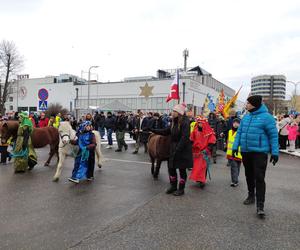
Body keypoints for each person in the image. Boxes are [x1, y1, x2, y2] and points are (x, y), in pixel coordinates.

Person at [232, 95, 279, 218]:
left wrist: (275, 152)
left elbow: (273, 136)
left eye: (248, 103)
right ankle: (251, 195)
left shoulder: (267, 118)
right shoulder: (246, 117)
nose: (246, 105)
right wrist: (235, 147)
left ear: (254, 104)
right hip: (246, 152)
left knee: (259, 177)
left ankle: (260, 205)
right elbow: (239, 133)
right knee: (249, 175)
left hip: (260, 152)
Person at [151, 104, 193, 196]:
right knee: (171, 168)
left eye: (174, 111)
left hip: (182, 149)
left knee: (182, 170)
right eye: (173, 111)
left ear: (179, 113)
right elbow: (166, 131)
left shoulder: (185, 122)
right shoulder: (174, 121)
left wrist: (178, 149)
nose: (173, 113)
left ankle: (181, 189)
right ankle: (173, 186)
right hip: (173, 147)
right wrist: (153, 130)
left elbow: (184, 137)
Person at [189, 116, 216, 188]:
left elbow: (212, 141)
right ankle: (198, 178)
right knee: (197, 166)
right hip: (196, 152)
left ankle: (202, 180)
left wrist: (208, 148)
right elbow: (191, 139)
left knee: (203, 167)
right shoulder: (195, 130)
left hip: (205, 151)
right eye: (199, 123)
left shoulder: (209, 131)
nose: (199, 124)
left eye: (201, 123)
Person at [226, 118, 242, 187]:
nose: (235, 124)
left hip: (239, 153)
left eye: (237, 123)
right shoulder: (229, 131)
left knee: (237, 167)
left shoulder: (241, 132)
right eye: (234, 123)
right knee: (234, 167)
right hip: (231, 153)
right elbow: (228, 140)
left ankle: (235, 179)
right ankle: (234, 181)